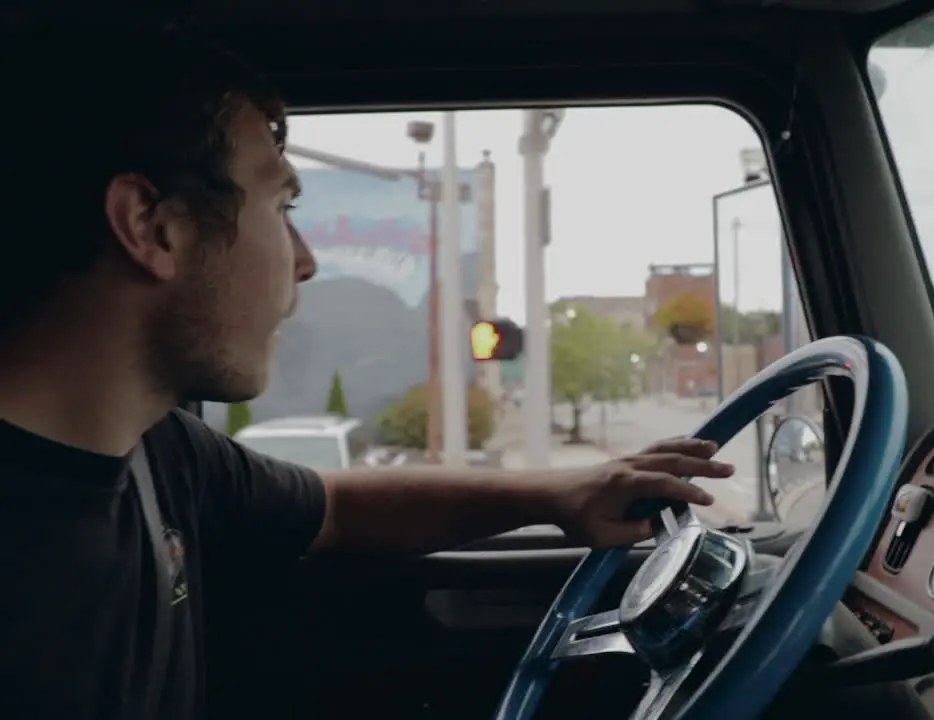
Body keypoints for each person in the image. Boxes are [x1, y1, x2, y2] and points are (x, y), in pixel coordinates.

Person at [0, 30, 733, 719]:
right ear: (151, 226)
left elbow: (337, 507)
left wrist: (559, 492)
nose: (306, 260)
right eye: (281, 205)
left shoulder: (162, 454)